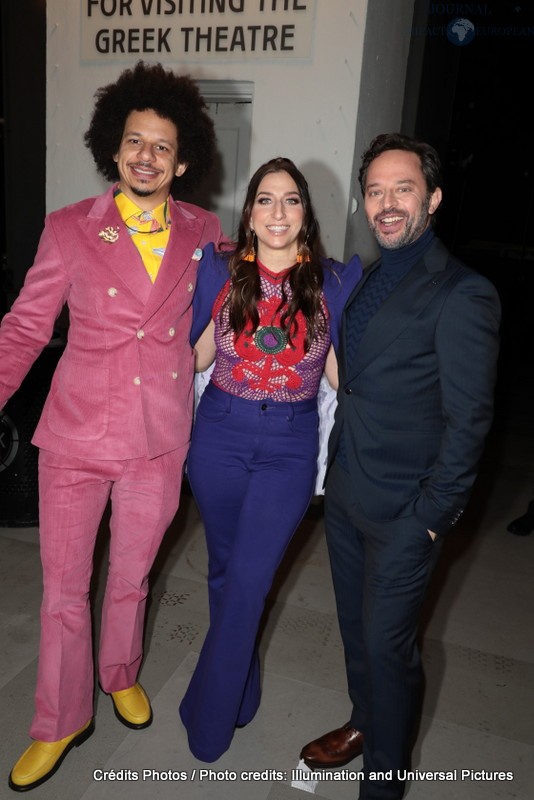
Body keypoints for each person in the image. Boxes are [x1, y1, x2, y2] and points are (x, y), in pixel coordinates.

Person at [0, 61, 225, 792]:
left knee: (130, 578)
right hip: (72, 440)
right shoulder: (69, 229)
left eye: (162, 146)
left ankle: (119, 671)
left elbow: (224, 317)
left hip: (159, 441)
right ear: (113, 147)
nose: (146, 156)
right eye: (135, 141)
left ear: (182, 159)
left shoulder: (203, 231)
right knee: (65, 590)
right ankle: (60, 719)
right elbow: (25, 328)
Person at [299, 133, 501, 800]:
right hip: (350, 492)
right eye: (377, 190)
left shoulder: (464, 294)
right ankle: (363, 722)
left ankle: (382, 785)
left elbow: (469, 422)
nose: (387, 203)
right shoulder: (368, 273)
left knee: (390, 651)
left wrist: (431, 521)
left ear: (433, 198)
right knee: (357, 634)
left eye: (403, 188)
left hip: (407, 514)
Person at [178, 156, 363, 762]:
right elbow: (198, 360)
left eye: (290, 200)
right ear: (250, 213)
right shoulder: (221, 272)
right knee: (225, 574)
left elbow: (341, 375)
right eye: (265, 199)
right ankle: (243, 694)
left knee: (250, 583)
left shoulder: (334, 282)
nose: (277, 211)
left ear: (305, 213)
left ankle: (205, 720)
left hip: (288, 445)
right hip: (220, 438)